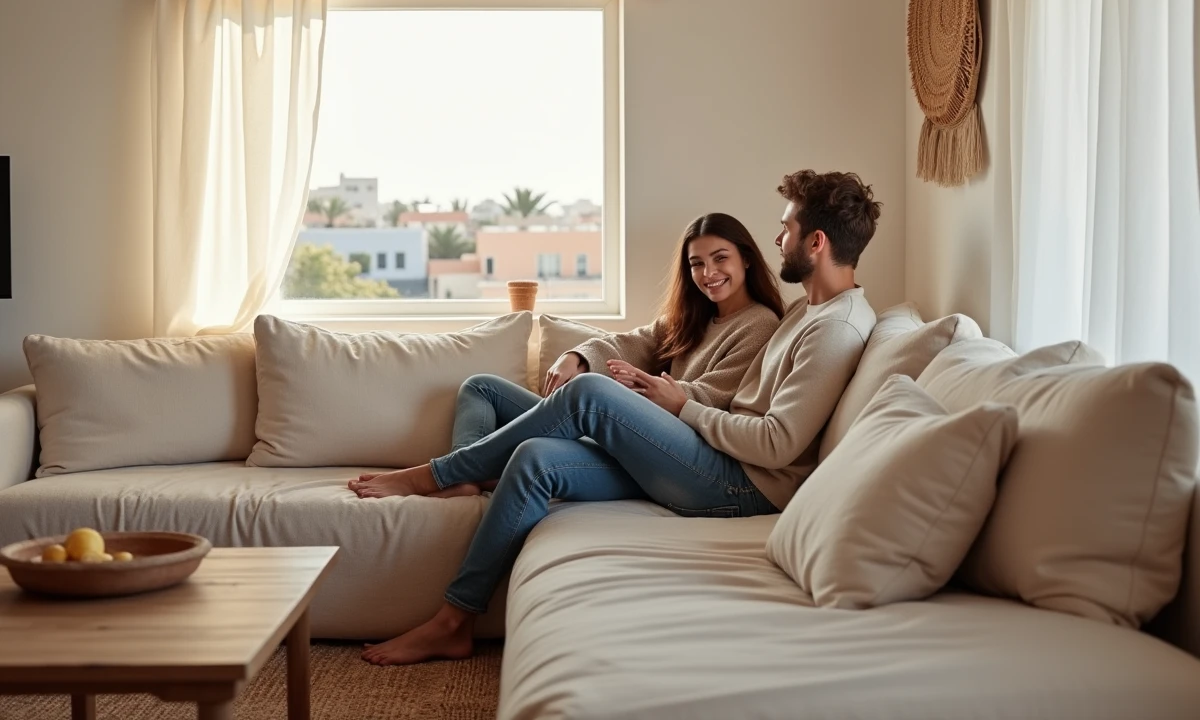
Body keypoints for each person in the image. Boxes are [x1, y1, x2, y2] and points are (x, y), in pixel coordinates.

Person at [356, 170, 881, 666]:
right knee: (529, 447)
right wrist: (588, 358)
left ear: (815, 242)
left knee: (588, 394)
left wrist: (680, 404)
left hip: (743, 484)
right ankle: (456, 619)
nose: (777, 239)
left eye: (785, 228)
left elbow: (777, 445)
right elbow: (652, 342)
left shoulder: (833, 328)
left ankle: (440, 473)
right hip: (706, 455)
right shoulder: (805, 312)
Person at [352, 212, 784, 500]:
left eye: (720, 259)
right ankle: (465, 479)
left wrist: (641, 389)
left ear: (746, 259)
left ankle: (436, 474)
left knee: (580, 402)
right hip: (606, 428)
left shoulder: (760, 323)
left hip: (660, 452)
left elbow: (713, 399)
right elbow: (632, 341)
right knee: (479, 387)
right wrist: (577, 356)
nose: (708, 274)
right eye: (696, 264)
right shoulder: (692, 318)